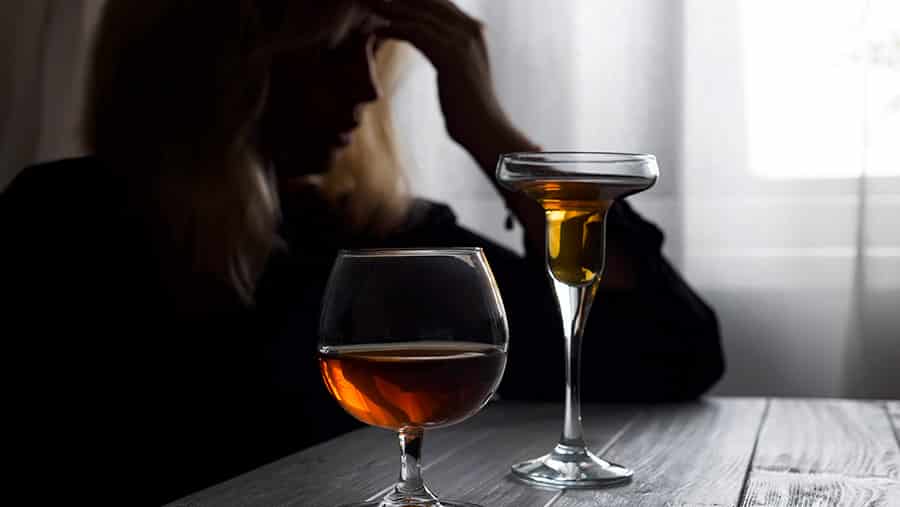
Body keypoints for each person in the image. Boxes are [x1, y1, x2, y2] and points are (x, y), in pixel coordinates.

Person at [1, 0, 723, 503]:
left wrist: (488, 130)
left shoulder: (378, 236)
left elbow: (670, 350)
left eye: (373, 49)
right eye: (330, 49)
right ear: (215, 62)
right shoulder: (68, 223)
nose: (365, 87)